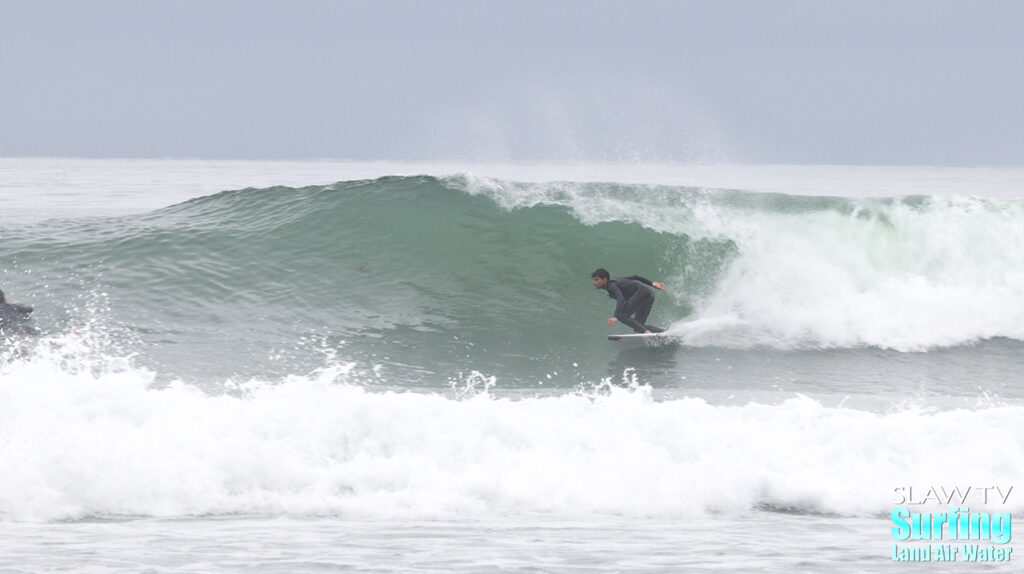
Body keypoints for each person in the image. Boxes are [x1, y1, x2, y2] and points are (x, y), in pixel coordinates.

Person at [591, 268, 666, 334]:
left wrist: (616, 316)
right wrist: (651, 284)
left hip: (642, 293)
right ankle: (664, 332)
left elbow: (621, 299)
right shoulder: (617, 281)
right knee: (638, 327)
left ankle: (647, 332)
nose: (594, 283)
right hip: (649, 294)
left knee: (622, 316)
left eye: (596, 280)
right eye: (594, 280)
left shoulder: (611, 286)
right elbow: (635, 277)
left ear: (604, 279)